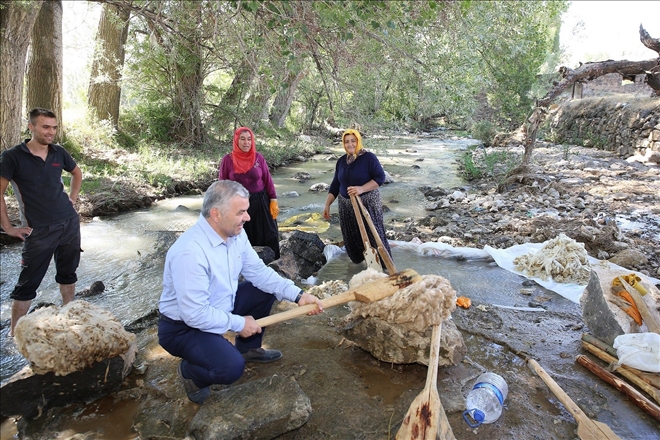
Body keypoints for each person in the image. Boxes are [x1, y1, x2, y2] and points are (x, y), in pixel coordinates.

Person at [158, 180, 323, 404]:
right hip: (184, 328)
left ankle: (248, 349)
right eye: (241, 212)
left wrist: (298, 296)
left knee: (266, 289)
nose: (248, 218)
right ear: (216, 214)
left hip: (221, 305)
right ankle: (191, 373)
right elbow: (194, 314)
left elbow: (259, 273)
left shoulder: (236, 234)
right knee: (231, 368)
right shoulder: (190, 252)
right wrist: (239, 324)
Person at [0, 108, 82, 337]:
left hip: (69, 223)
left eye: (54, 128)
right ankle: (15, 336)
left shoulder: (58, 152)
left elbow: (77, 173)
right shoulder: (12, 156)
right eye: (46, 127)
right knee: (27, 285)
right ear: (31, 127)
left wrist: (72, 200)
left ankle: (69, 317)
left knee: (68, 273)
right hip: (39, 230)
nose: (51, 132)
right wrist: (7, 227)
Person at [323, 129, 392, 265]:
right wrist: (327, 204)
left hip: (367, 202)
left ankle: (384, 267)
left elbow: (380, 178)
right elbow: (336, 184)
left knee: (374, 236)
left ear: (358, 141)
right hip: (346, 206)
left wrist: (361, 189)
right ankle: (359, 266)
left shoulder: (368, 158)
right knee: (351, 238)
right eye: (346, 141)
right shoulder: (341, 161)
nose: (350, 144)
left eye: (353, 141)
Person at [219, 127, 281, 259]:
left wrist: (273, 200)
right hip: (238, 206)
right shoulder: (227, 160)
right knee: (244, 238)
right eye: (242, 139)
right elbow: (222, 185)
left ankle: (275, 267)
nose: (246, 142)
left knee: (271, 234)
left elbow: (267, 180)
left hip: (261, 202)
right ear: (236, 140)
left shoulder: (258, 158)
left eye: (249, 139)